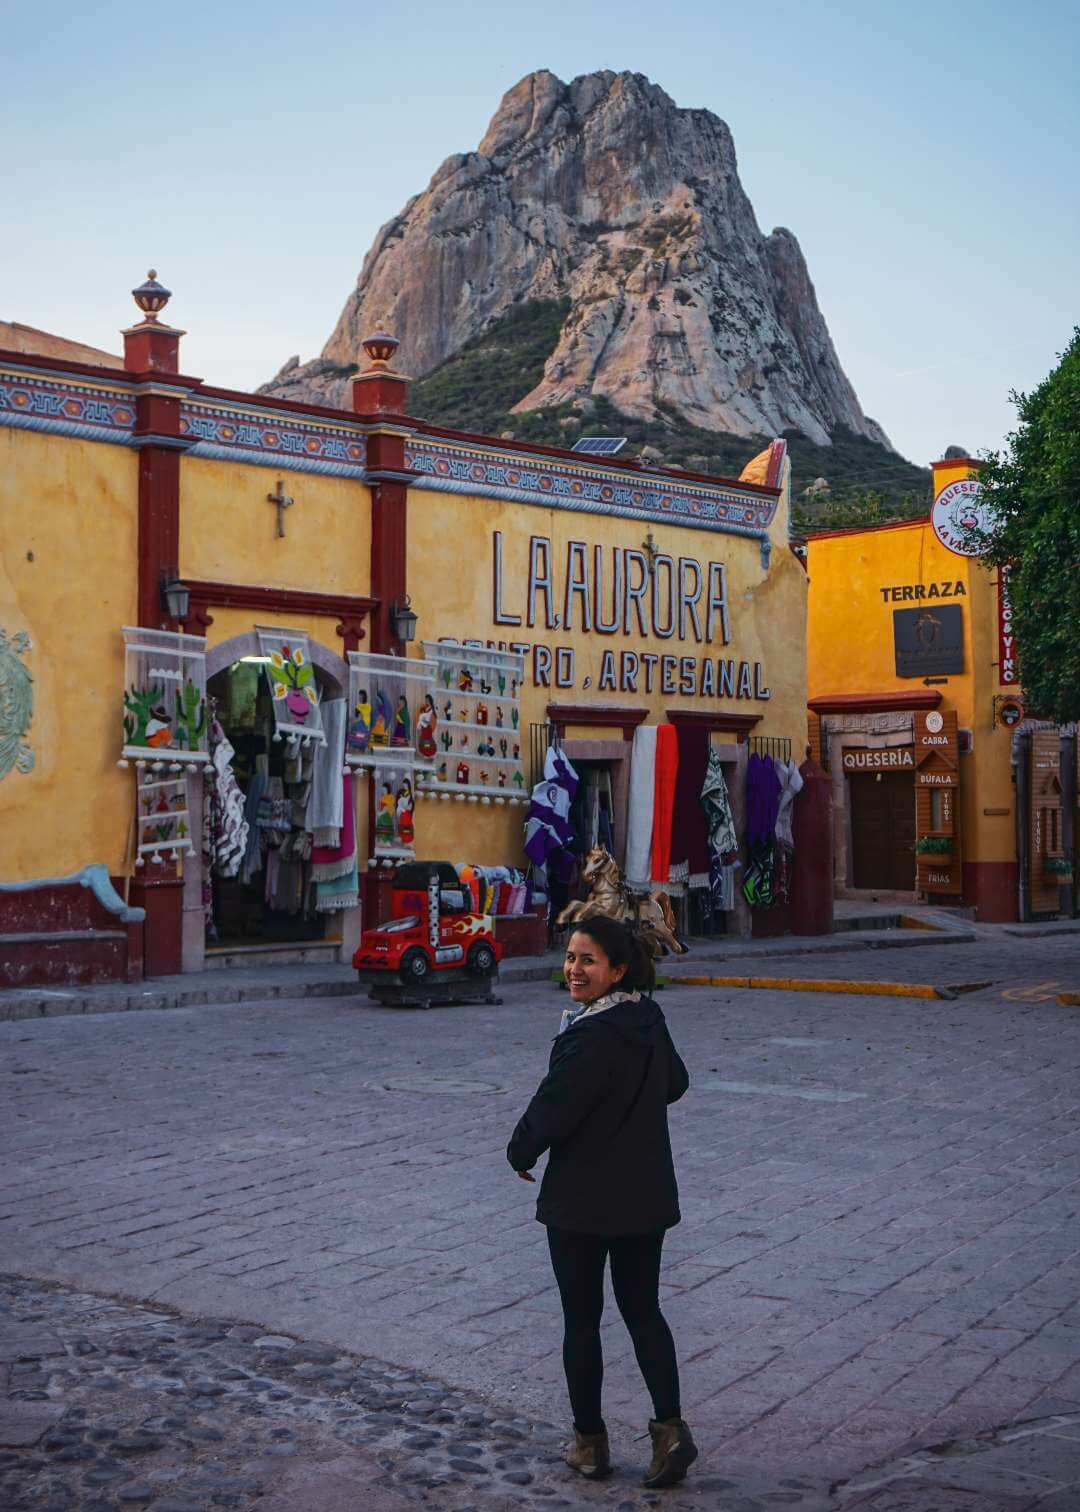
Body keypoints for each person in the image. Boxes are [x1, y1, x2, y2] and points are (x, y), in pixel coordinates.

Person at [507, 916, 696, 1489]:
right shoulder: (646, 1019)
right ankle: (670, 1433)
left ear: (617, 969)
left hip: (582, 1203)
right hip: (643, 1196)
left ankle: (589, 1444)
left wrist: (521, 1149)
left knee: (582, 1321)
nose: (574, 969)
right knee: (644, 1313)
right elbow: (678, 1083)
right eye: (570, 958)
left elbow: (553, 1106)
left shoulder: (590, 1034)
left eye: (588, 960)